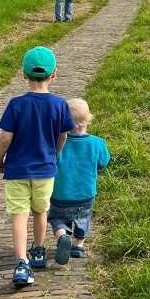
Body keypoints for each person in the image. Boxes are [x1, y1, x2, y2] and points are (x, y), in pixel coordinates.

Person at [0, 46, 75, 287]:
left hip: (17, 170)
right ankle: (38, 251)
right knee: (41, 211)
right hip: (45, 169)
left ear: (24, 74)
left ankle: (21, 262)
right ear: (54, 74)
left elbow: (5, 137)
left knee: (19, 214)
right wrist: (55, 153)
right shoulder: (60, 105)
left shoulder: (16, 105)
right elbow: (63, 135)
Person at [48, 98, 110, 265]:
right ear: (88, 119)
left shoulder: (59, 142)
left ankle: (62, 236)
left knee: (57, 219)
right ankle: (78, 245)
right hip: (85, 194)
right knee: (84, 219)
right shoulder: (97, 143)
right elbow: (103, 163)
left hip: (59, 194)